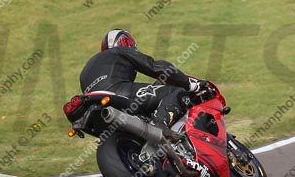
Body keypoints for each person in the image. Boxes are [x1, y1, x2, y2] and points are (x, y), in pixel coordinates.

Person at [79, 28, 210, 137]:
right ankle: (160, 124)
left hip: (92, 105)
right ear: (125, 42)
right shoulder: (120, 51)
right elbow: (154, 67)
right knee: (175, 91)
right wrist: (188, 83)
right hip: (117, 91)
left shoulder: (87, 69)